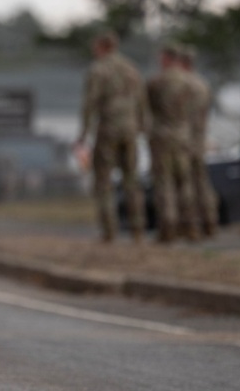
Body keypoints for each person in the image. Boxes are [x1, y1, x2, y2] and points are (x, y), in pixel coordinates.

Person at [74, 31, 148, 242]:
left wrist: (83, 134)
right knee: (132, 180)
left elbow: (90, 104)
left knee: (104, 180)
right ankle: (138, 229)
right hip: (130, 130)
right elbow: (142, 101)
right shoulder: (131, 68)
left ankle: (109, 230)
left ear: (102, 47)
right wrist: (141, 127)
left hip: (108, 129)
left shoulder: (98, 70)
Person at [146, 44, 199, 243]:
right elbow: (195, 111)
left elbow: (148, 108)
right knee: (185, 182)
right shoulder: (191, 83)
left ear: (166, 58)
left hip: (162, 137)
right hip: (184, 137)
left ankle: (168, 227)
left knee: (164, 183)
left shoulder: (156, 82)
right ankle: (191, 226)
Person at [178, 45, 219, 237]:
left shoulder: (182, 85)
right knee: (203, 183)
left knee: (186, 184)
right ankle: (210, 220)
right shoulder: (203, 84)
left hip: (184, 140)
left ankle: (191, 225)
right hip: (200, 139)